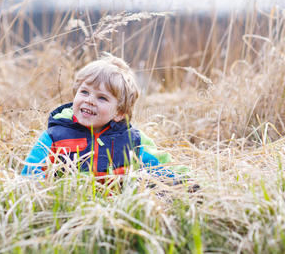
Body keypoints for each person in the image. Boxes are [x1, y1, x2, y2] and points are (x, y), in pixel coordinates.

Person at [21, 53, 173, 178]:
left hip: (115, 209)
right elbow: (30, 175)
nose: (89, 100)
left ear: (119, 113)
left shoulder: (133, 141)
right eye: (84, 92)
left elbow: (165, 168)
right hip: (68, 206)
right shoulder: (55, 136)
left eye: (102, 98)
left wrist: (186, 185)